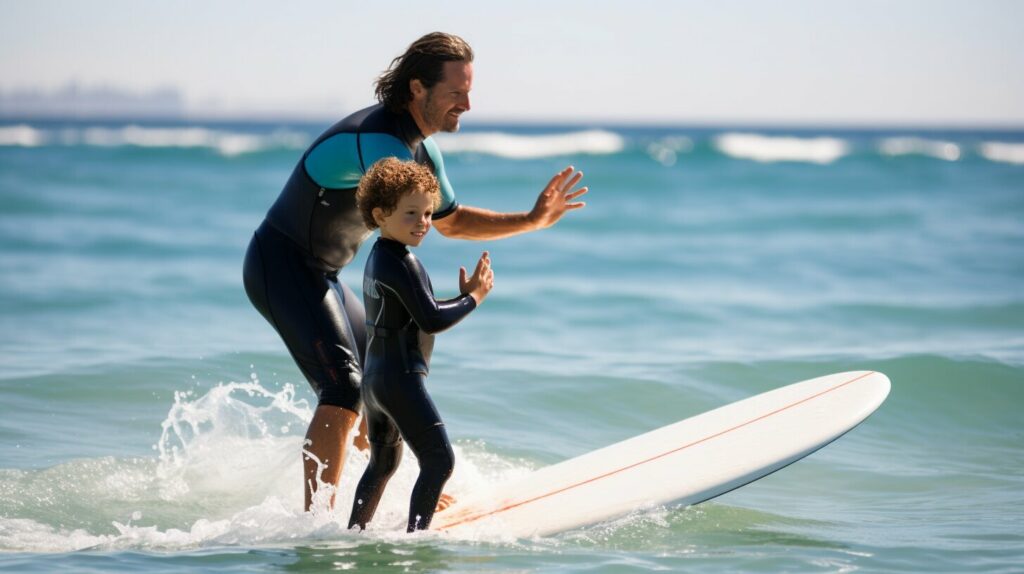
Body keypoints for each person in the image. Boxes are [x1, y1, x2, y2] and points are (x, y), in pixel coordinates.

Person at [242, 31, 587, 512]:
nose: (467, 104)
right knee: (344, 386)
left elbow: (451, 221)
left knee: (379, 376)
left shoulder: (421, 149)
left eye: (470, 91)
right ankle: (314, 522)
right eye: (457, 92)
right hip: (281, 266)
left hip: (324, 276)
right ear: (417, 90)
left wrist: (531, 220)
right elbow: (429, 223)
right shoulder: (382, 144)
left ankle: (386, 498)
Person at [348, 157, 492, 532]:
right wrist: (473, 297)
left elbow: (416, 312)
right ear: (380, 215)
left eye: (428, 213)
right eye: (411, 213)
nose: (423, 222)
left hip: (375, 380)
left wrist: (458, 298)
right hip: (400, 380)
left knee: (382, 465)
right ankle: (417, 540)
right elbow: (431, 319)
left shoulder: (379, 258)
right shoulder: (403, 263)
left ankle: (354, 532)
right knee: (439, 461)